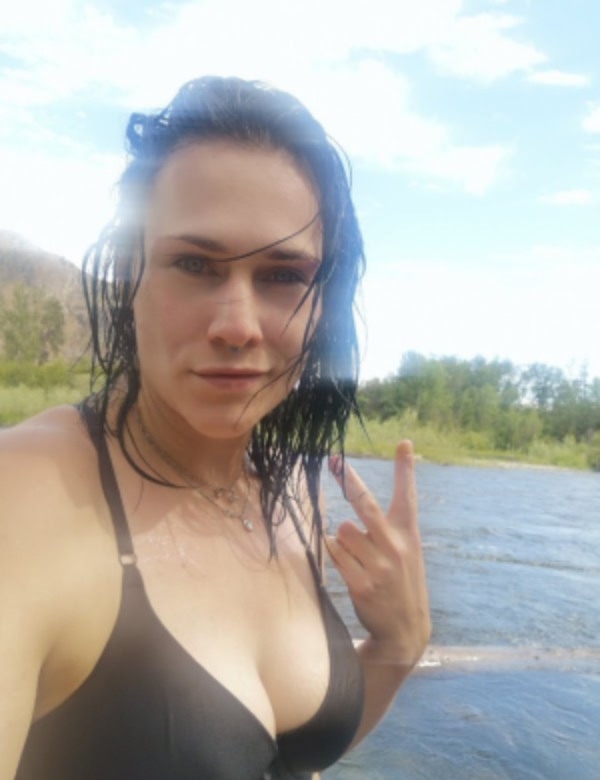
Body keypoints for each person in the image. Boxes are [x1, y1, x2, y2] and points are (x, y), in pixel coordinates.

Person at [0, 76, 431, 780]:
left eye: (283, 276)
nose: (236, 326)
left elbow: (283, 761)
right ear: (130, 276)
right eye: (195, 265)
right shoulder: (22, 498)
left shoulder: (292, 493)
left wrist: (398, 645)